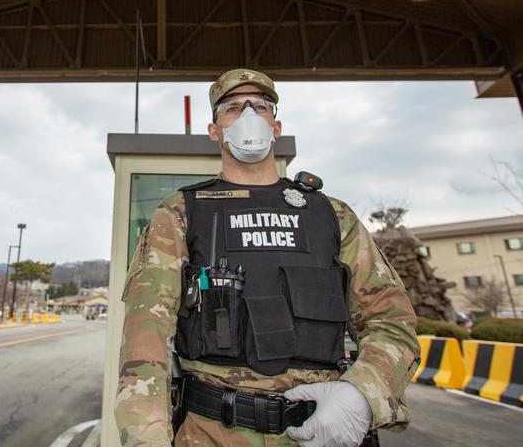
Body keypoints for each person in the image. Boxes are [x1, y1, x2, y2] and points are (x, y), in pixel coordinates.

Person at [115, 69, 420, 446]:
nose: (247, 115)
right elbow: (145, 342)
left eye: (259, 106)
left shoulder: (332, 215)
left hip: (322, 431)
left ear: (275, 127)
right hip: (212, 433)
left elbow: (392, 321)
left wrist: (362, 395)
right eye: (232, 107)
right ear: (215, 131)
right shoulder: (180, 213)